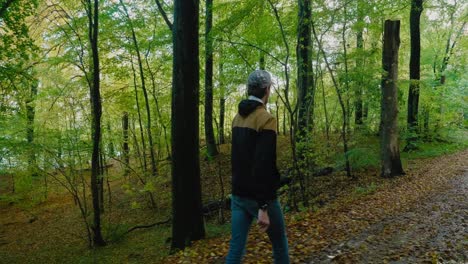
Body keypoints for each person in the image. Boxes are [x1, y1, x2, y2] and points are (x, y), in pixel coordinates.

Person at [226, 70, 290, 264]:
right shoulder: (266, 119)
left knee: (235, 248)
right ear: (267, 89)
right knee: (279, 243)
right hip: (261, 198)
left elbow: (238, 160)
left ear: (249, 89)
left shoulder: (237, 118)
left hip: (238, 194)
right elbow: (263, 164)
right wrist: (263, 205)